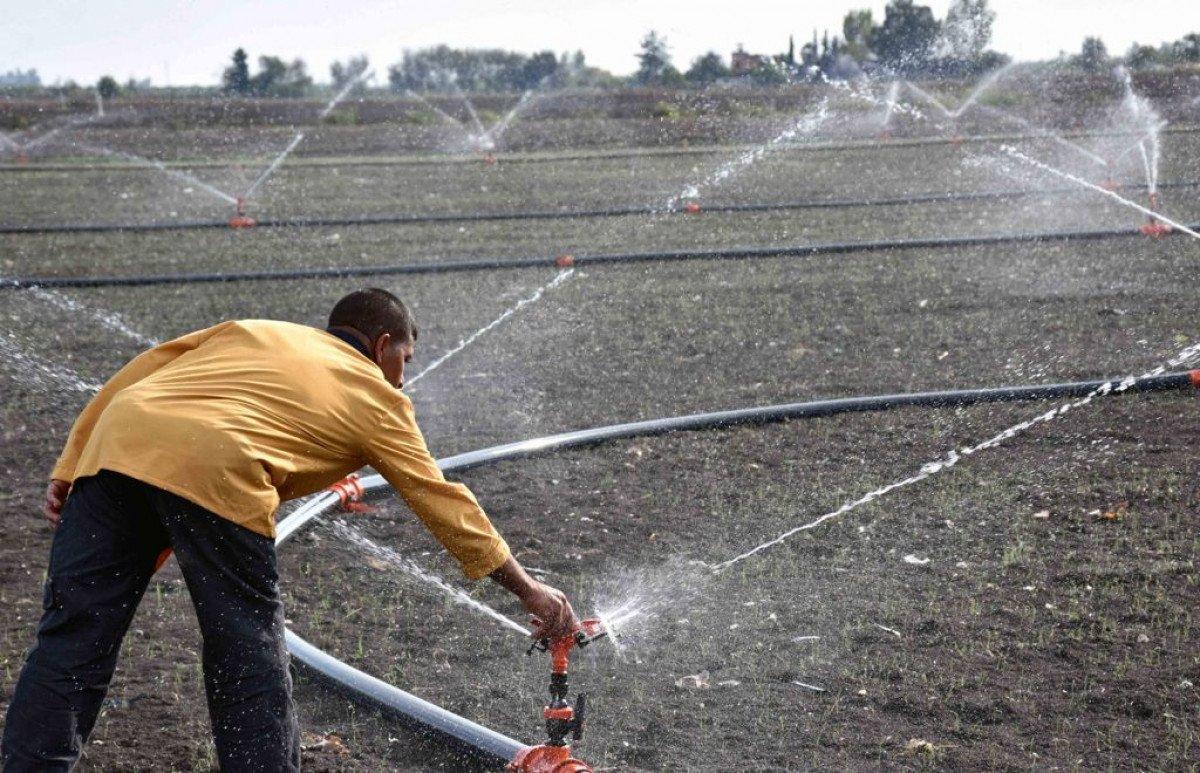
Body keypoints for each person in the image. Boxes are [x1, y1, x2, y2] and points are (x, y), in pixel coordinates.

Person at [2, 288, 578, 771]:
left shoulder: (255, 330)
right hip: (219, 467)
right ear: (382, 347)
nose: (403, 381)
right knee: (246, 651)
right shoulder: (377, 396)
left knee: (72, 640)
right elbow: (441, 500)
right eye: (404, 360)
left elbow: (142, 371)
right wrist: (529, 590)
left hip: (117, 451)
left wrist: (72, 462)